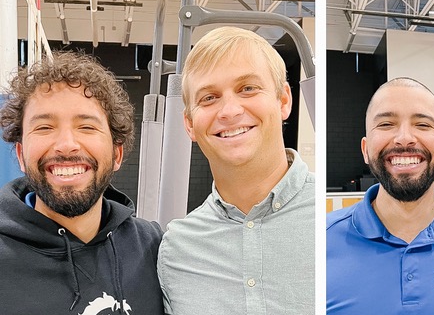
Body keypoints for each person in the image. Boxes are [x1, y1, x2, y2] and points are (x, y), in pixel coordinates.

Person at [157, 26, 315, 314]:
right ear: (190, 124)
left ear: (283, 100)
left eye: (247, 88)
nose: (229, 111)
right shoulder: (177, 250)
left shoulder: (334, 225)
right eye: (209, 97)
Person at [0, 52, 164, 314]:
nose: (66, 145)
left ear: (117, 154)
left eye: (87, 127)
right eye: (44, 127)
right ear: (20, 155)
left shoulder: (154, 249)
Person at [326, 77, 434, 314]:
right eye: (386, 124)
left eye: (423, 125)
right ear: (365, 150)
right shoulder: (322, 240)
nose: (404, 138)